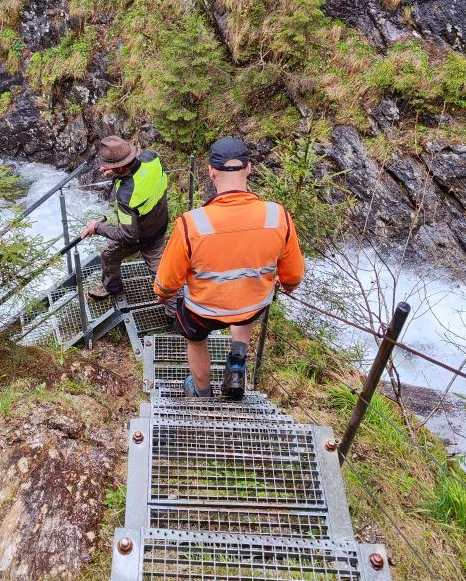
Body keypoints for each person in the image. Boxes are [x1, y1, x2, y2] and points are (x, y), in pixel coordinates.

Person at [153, 136, 304, 399]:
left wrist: (164, 297)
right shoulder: (278, 216)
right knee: (245, 303)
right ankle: (236, 366)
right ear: (249, 168)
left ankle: (201, 391)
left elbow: (166, 284)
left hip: (204, 311)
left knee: (195, 336)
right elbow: (293, 277)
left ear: (211, 172)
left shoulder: (192, 224)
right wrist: (287, 285)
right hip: (251, 307)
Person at [80, 136, 169, 303]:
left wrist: (97, 227)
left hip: (141, 235)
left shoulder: (126, 195)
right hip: (160, 223)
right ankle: (174, 313)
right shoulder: (152, 157)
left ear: (120, 167)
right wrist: (116, 172)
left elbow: (129, 236)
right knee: (161, 274)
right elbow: (138, 175)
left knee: (109, 254)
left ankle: (113, 289)